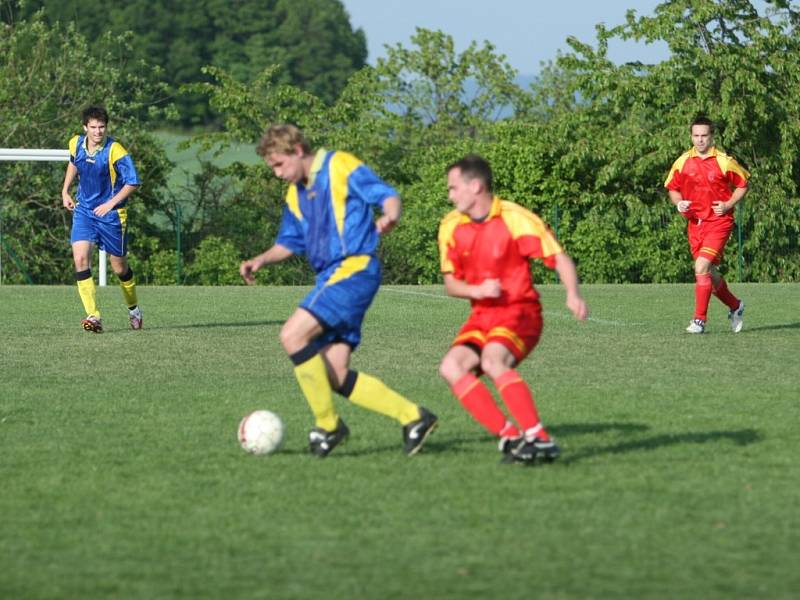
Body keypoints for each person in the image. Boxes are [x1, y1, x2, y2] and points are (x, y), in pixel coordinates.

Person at [240, 124, 437, 458]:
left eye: (278, 164)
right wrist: (261, 259)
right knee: (333, 373)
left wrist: (391, 215)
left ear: (297, 150)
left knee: (292, 335)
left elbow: (386, 194)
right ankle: (414, 417)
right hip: (332, 277)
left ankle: (328, 426)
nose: (276, 174)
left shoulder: (338, 165)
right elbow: (289, 242)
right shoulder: (294, 193)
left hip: (353, 269)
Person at [437, 154, 588, 465]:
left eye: (453, 188)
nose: (449, 195)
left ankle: (539, 438)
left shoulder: (514, 218)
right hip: (481, 316)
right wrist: (476, 291)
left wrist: (573, 294)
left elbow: (558, 257)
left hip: (520, 312)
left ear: (475, 186)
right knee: (451, 368)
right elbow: (451, 284)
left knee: (493, 360)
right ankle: (510, 436)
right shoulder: (451, 226)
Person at [61, 106, 143, 333]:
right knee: (80, 260)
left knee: (119, 268)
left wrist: (110, 203)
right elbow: (73, 163)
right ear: (85, 127)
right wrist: (65, 191)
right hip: (84, 211)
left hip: (112, 215)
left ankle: (134, 309)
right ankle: (93, 315)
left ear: (106, 127)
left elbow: (133, 182)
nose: (98, 132)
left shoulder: (115, 150)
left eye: (102, 127)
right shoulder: (75, 143)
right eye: (94, 127)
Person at [665, 115, 748, 334]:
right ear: (691, 136)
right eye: (696, 135)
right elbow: (672, 188)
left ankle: (699, 321)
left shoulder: (724, 161)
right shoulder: (683, 161)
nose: (700, 140)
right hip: (695, 225)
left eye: (704, 135)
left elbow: (742, 184)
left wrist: (728, 204)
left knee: (700, 267)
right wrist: (679, 202)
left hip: (719, 222)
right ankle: (735, 306)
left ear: (712, 137)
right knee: (709, 274)